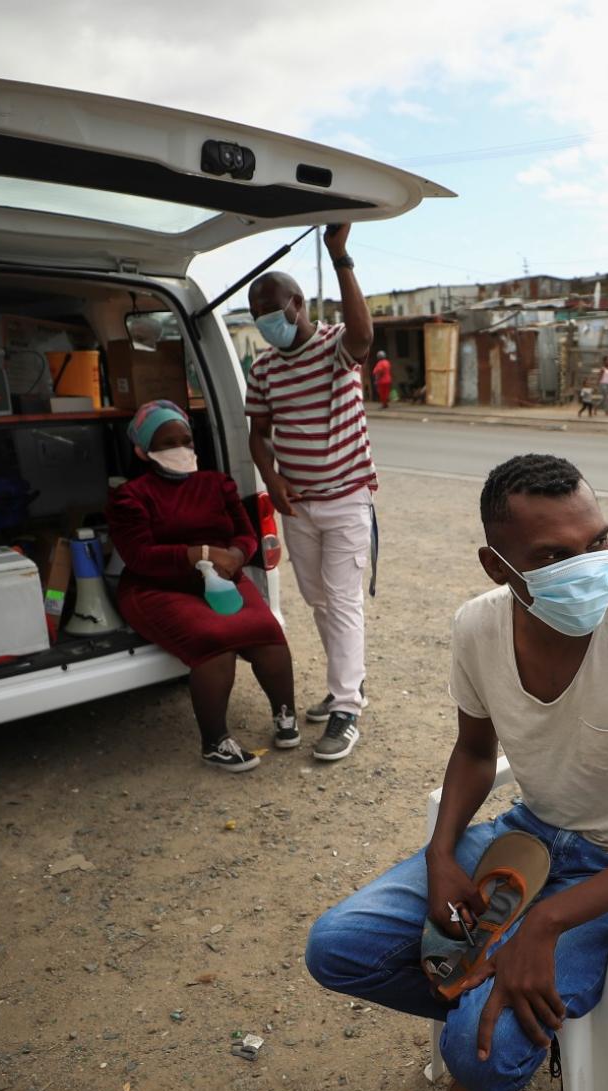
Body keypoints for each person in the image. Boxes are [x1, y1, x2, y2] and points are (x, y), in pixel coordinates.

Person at [305, 453, 608, 1091]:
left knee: (479, 1060)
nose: (588, 568)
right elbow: (473, 751)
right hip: (529, 838)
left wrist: (545, 924)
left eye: (598, 542)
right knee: (336, 949)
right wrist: (442, 854)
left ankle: (497, 997)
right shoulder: (478, 625)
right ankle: (495, 988)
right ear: (497, 566)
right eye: (555, 556)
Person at [107, 400, 298, 772]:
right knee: (215, 643)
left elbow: (247, 534)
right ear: (142, 451)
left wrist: (237, 557)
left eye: (186, 440)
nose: (181, 449)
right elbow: (139, 556)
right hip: (156, 586)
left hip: (224, 575)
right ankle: (214, 742)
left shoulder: (217, 484)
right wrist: (202, 553)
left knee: (266, 631)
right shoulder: (130, 496)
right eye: (167, 443)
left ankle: (285, 714)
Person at [246, 223, 375, 763]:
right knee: (318, 600)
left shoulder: (333, 348)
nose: (266, 322)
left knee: (342, 599)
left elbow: (364, 338)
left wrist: (339, 255)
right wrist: (273, 482)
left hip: (347, 499)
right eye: (258, 315)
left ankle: (346, 708)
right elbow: (258, 434)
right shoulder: (263, 368)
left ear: (297, 304)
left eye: (273, 309)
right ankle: (348, 685)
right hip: (297, 504)